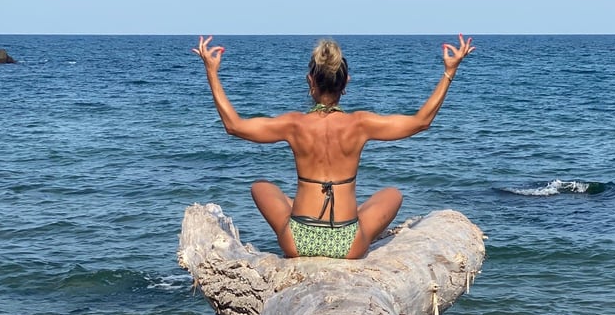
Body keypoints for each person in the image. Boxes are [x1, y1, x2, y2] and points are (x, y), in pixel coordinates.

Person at [193, 34, 475, 260]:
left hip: (298, 241)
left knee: (260, 186)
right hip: (348, 243)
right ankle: (342, 217)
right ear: (345, 84)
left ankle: (301, 211)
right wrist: (450, 71)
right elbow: (421, 121)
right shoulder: (361, 124)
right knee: (393, 194)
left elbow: (234, 125)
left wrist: (211, 71)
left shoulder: (294, 124)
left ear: (310, 82)